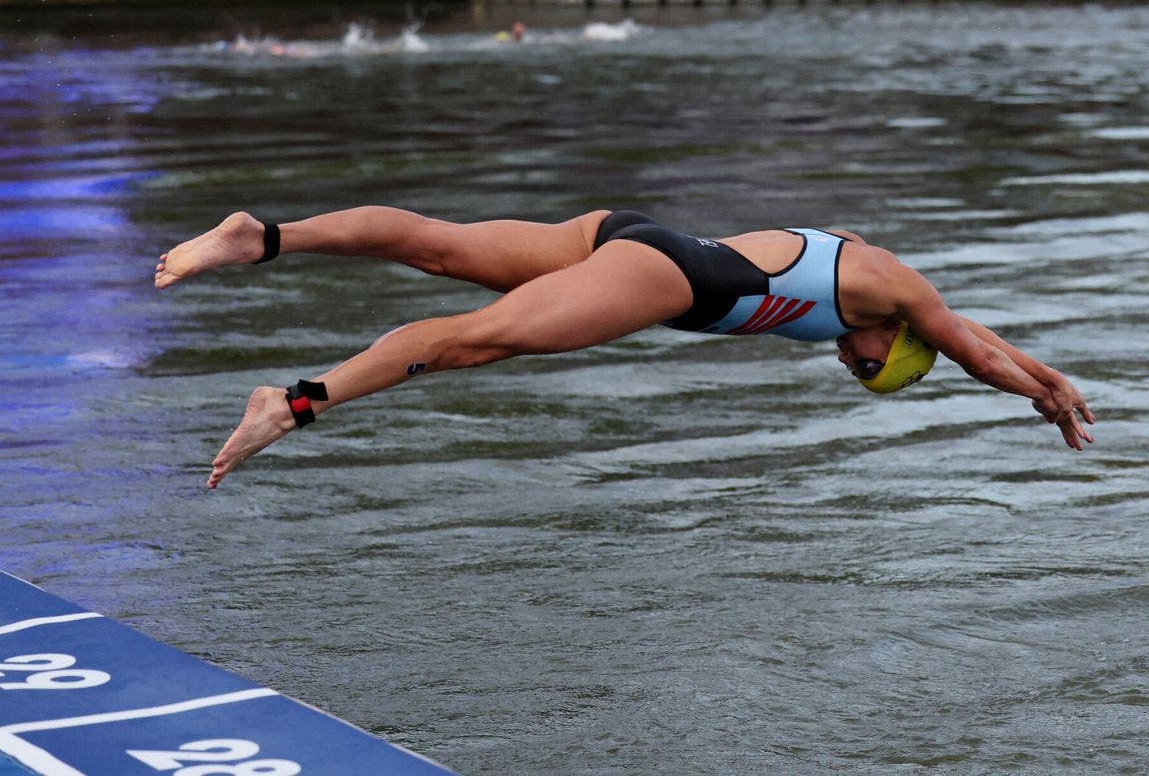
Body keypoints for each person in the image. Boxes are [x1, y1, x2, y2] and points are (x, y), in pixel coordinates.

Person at [155, 208, 1096, 488]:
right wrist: (1037, 398)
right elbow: (966, 347)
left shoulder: (898, 305)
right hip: (667, 280)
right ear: (891, 340)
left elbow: (969, 333)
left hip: (625, 237)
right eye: (864, 365)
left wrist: (1048, 374)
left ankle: (260, 237)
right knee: (472, 344)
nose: (845, 363)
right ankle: (293, 403)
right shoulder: (889, 284)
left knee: (436, 251)